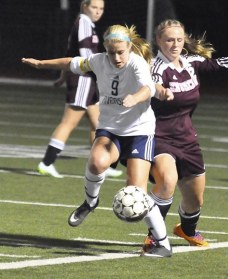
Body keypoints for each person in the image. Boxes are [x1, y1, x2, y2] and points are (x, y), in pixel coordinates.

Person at [22, 24, 174, 257]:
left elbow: (148, 88)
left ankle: (163, 244)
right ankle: (90, 203)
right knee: (96, 162)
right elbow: (70, 62)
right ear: (105, 49)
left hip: (139, 131)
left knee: (136, 194)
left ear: (129, 47)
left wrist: (135, 98)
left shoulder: (136, 63)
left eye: (121, 52)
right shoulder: (98, 61)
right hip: (110, 128)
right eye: (111, 52)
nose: (116, 57)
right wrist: (42, 64)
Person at [143, 19, 228, 250]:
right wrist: (161, 91)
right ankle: (154, 234)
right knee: (167, 182)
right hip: (158, 137)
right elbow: (152, 85)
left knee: (195, 200)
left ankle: (187, 230)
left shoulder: (191, 62)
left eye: (179, 39)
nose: (174, 44)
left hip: (187, 139)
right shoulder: (155, 67)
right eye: (169, 40)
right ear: (158, 41)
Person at [37, 0, 122, 178]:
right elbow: (84, 57)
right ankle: (46, 162)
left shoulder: (87, 24)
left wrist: (62, 76)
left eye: (101, 9)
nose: (98, 11)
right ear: (84, 6)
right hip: (83, 80)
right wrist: (103, 72)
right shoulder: (83, 22)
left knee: (97, 124)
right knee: (68, 122)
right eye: (94, 7)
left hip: (88, 81)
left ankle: (99, 164)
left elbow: (70, 53)